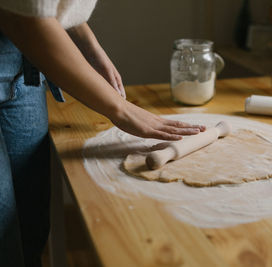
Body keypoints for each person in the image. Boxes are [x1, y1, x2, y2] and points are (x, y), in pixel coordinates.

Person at [0, 1, 204, 266]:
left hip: (21, 63)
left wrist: (89, 46)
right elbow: (25, 21)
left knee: (31, 227)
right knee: (4, 242)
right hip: (27, 35)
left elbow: (37, 5)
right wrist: (120, 108)